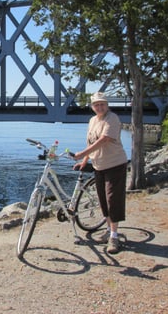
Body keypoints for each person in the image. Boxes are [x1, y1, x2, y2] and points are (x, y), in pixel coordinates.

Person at [73, 91, 128, 254]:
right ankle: (108, 230)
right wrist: (84, 161)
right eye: (96, 105)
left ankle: (114, 237)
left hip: (115, 164)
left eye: (102, 104)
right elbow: (91, 141)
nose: (99, 107)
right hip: (99, 166)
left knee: (113, 200)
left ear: (107, 105)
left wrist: (82, 153)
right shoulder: (92, 121)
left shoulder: (112, 118)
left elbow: (104, 140)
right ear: (92, 107)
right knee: (103, 202)